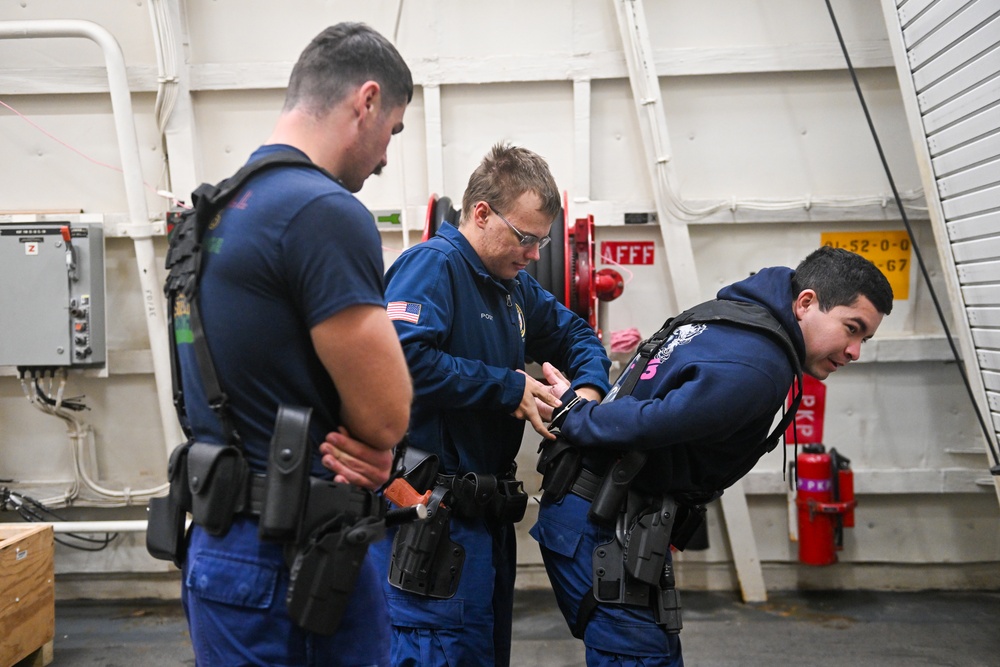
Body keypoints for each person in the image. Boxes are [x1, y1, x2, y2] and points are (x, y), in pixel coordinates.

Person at [173, 23, 413, 666]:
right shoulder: (323, 211)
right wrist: (378, 449)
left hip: (219, 550)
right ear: (366, 101)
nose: (386, 156)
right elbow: (386, 417)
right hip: (303, 558)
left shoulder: (210, 215)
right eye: (391, 130)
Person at [529, 246, 894, 667]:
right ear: (806, 302)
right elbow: (654, 420)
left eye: (864, 338)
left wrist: (579, 412)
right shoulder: (760, 364)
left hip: (601, 511)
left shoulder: (727, 316)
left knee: (650, 652)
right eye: (851, 329)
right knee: (638, 655)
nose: (855, 351)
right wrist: (576, 415)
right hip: (602, 523)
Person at [370, 142, 612, 666]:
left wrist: (586, 392)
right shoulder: (431, 268)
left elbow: (577, 335)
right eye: (525, 238)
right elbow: (400, 361)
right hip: (433, 522)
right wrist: (508, 387)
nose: (534, 255)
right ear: (481, 213)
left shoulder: (512, 288)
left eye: (542, 242)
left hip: (486, 524)